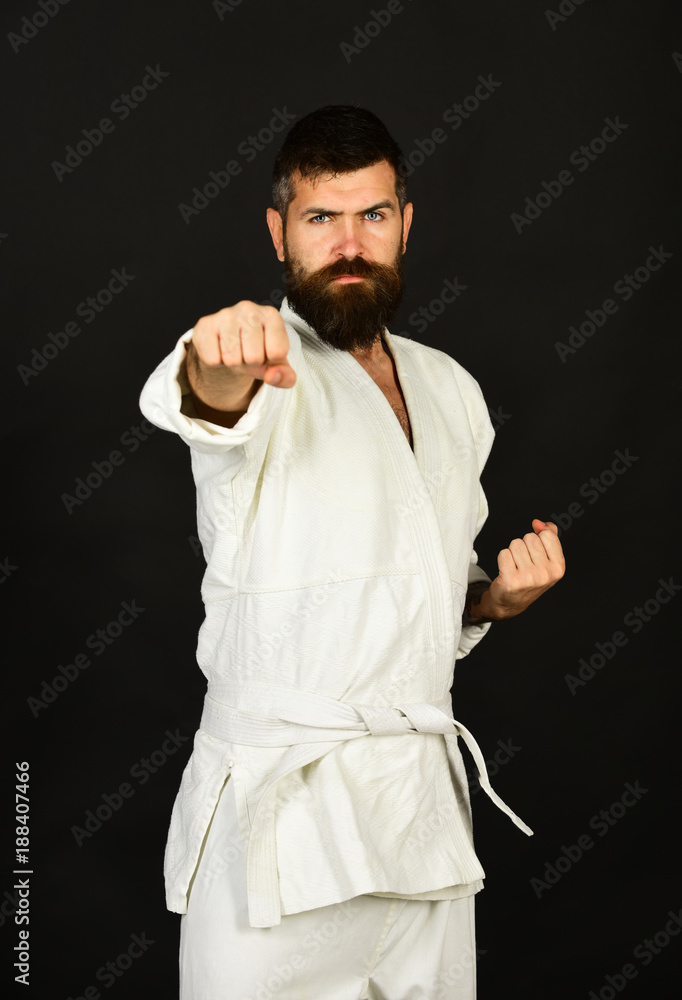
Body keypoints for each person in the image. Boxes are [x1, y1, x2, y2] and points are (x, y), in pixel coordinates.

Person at [139, 104, 565, 1000]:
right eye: (320, 218)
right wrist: (214, 360)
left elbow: (420, 589)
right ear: (278, 232)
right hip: (277, 822)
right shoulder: (260, 362)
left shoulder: (452, 390)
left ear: (406, 223)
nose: (349, 244)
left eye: (372, 215)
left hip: (418, 820)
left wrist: (493, 600)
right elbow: (206, 401)